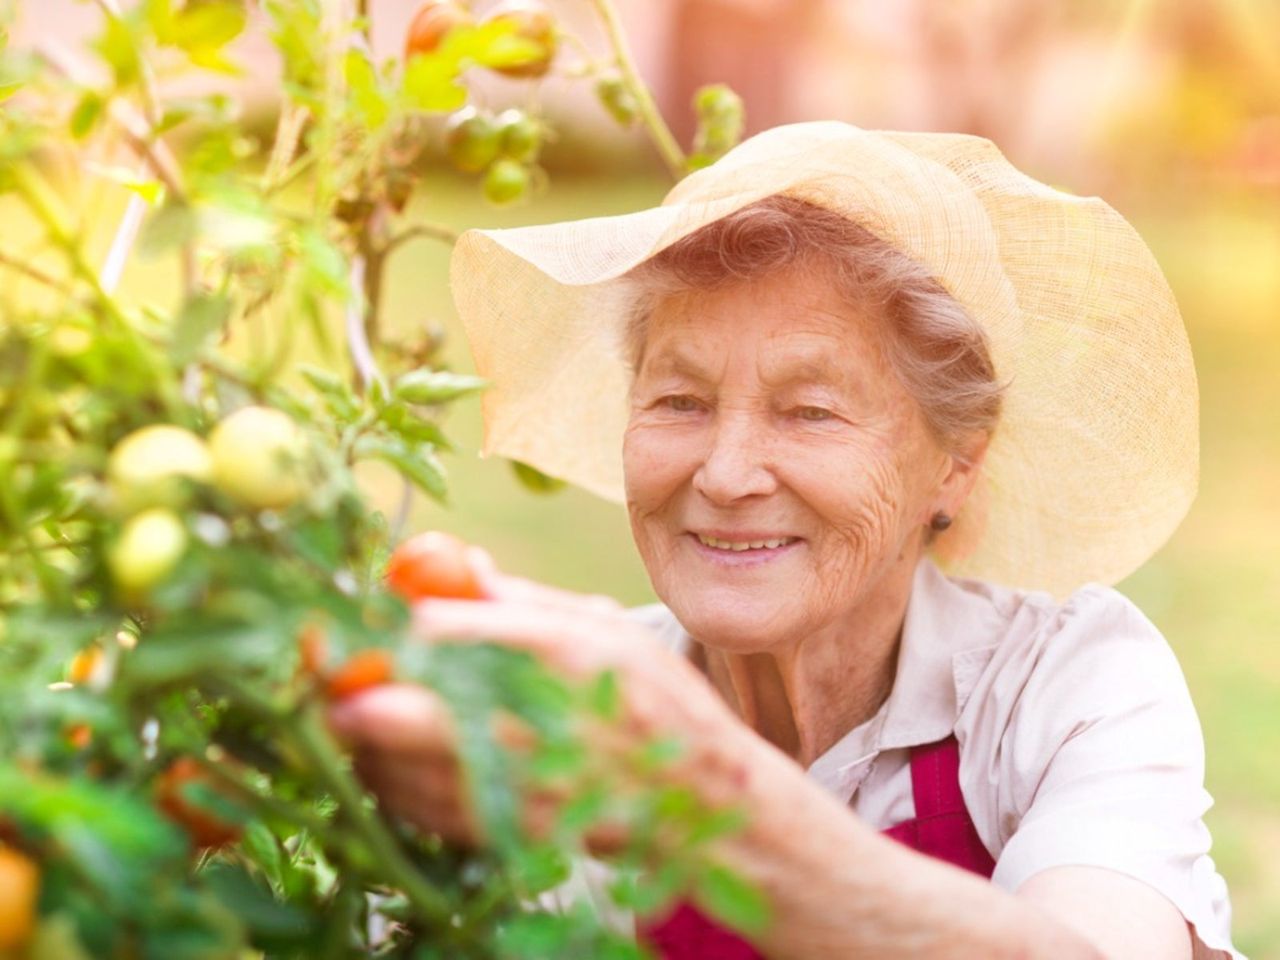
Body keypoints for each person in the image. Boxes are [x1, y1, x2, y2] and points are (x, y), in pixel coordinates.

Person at [328, 122, 1243, 959]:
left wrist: (700, 802)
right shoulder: (566, 714)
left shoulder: (1060, 686)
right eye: (679, 401)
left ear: (955, 464)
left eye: (810, 411)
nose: (725, 474)